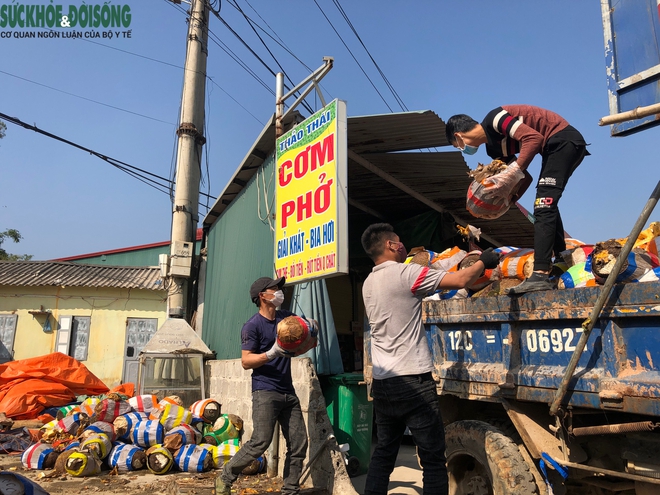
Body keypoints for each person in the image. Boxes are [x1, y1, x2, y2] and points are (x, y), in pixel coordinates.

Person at [360, 223, 500, 495]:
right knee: (434, 458)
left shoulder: (368, 282)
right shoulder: (405, 272)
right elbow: (461, 281)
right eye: (399, 241)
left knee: (384, 454)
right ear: (390, 245)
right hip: (413, 381)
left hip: (383, 382)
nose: (402, 246)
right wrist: (483, 261)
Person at [445, 105, 589, 294]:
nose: (463, 149)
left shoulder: (495, 119)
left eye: (458, 146)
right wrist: (508, 200)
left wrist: (511, 173)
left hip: (563, 139)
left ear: (458, 136)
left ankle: (540, 274)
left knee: (543, 205)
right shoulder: (493, 150)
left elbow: (534, 139)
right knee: (545, 204)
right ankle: (561, 259)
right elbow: (525, 177)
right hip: (551, 149)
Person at [216, 276, 309, 495]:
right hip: (265, 390)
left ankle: (290, 489)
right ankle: (226, 476)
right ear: (262, 296)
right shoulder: (252, 326)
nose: (279, 292)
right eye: (274, 289)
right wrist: (271, 353)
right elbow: (246, 361)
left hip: (288, 391)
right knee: (260, 441)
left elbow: (302, 338)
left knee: (299, 443)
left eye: (279, 289)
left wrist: (310, 330)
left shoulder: (286, 318)